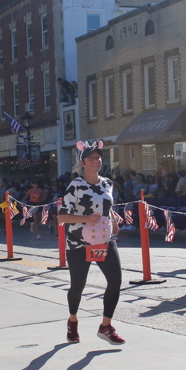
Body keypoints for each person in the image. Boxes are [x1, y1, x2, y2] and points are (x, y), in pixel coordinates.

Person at [57, 142, 125, 345]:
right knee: (78, 286)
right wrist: (86, 219)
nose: (96, 161)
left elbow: (106, 206)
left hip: (104, 240)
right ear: (83, 163)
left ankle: (106, 326)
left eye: (98, 158)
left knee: (115, 280)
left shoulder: (107, 183)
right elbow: (62, 217)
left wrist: (113, 220)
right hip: (79, 243)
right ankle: (73, 320)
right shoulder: (75, 186)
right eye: (91, 158)